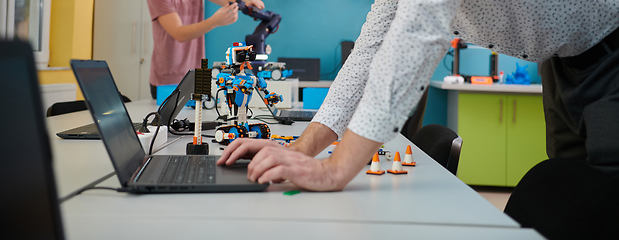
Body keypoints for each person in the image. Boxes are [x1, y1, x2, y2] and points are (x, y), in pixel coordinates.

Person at [217, 0, 619, 193]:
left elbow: (417, 32)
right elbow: (369, 51)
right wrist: (303, 149)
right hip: (563, 59)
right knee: (578, 196)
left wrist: (335, 169)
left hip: (611, 47)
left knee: (607, 200)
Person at [147, 0, 265, 99]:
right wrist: (215, 21)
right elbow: (179, 33)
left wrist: (244, 2)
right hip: (168, 80)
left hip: (196, 76)